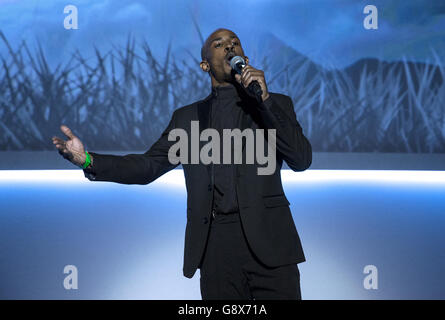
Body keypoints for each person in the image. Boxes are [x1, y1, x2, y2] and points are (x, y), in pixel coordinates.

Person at [52, 28, 312, 300]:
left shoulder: (276, 104)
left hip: (270, 244)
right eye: (219, 44)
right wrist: (88, 160)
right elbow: (147, 166)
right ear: (205, 64)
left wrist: (266, 101)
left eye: (235, 43)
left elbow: (301, 159)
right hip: (216, 247)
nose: (229, 47)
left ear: (244, 57)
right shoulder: (186, 120)